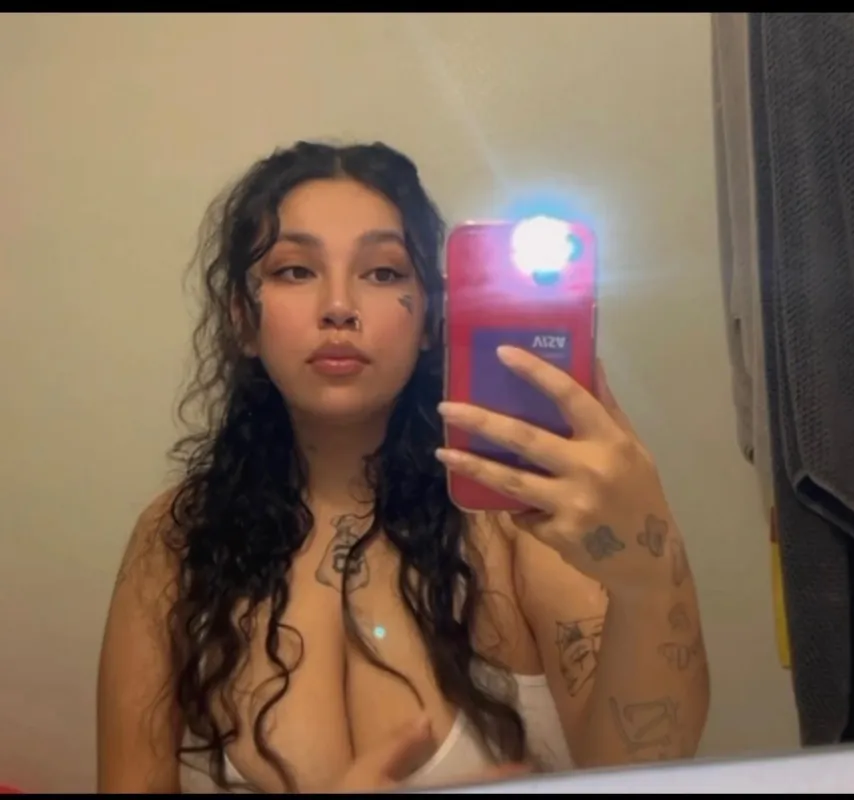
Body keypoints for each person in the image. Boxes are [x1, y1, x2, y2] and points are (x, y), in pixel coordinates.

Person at [96, 141, 710, 794]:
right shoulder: (177, 542)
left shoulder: (517, 516)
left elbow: (645, 771)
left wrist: (651, 572)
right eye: (295, 270)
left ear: (431, 319)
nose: (339, 306)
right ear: (244, 320)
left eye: (383, 272)